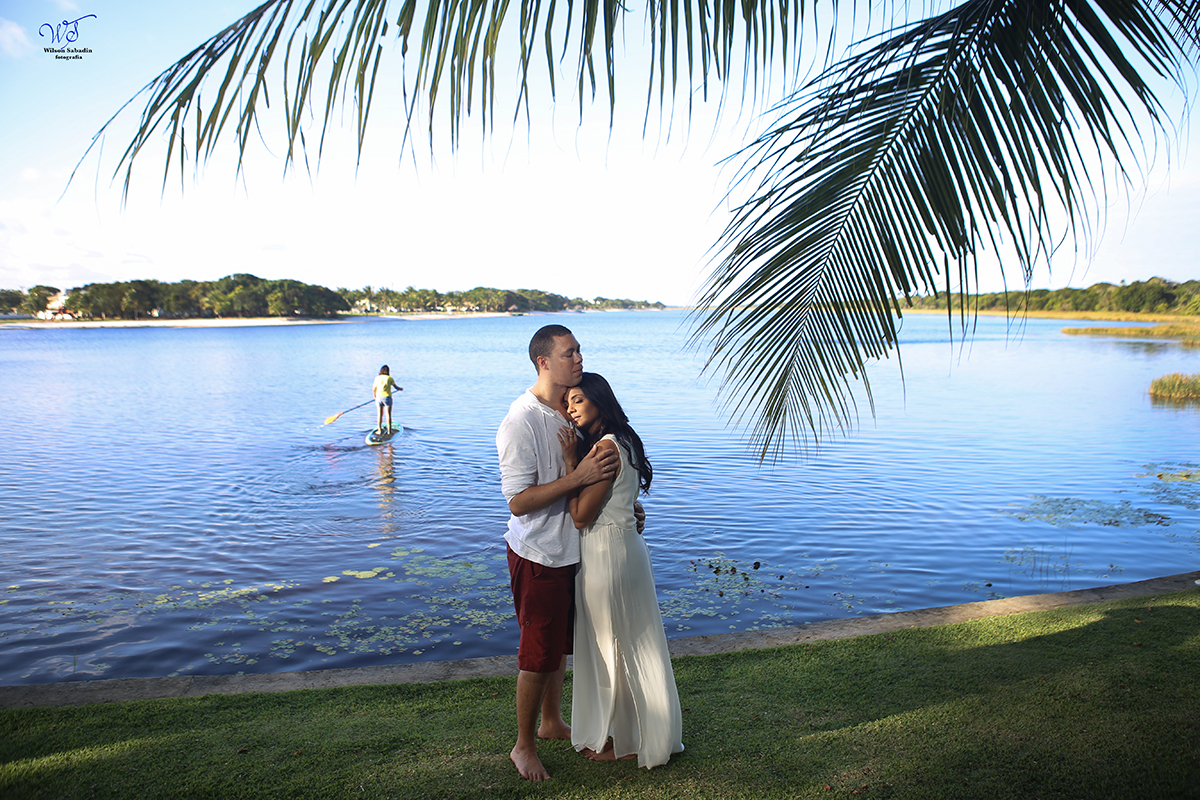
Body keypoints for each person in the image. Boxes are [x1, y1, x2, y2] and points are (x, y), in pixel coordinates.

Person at [496, 324, 621, 781]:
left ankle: (551, 722)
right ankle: (523, 746)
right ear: (543, 362)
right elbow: (517, 500)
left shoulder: (572, 409)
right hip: (539, 554)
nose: (579, 359)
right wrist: (579, 476)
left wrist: (626, 507)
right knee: (538, 653)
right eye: (570, 353)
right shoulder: (520, 421)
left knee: (559, 648)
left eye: (580, 351)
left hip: (576, 549)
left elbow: (599, 477)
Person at [559, 372, 684, 769]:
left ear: (599, 401)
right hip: (627, 549)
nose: (571, 409)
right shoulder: (624, 440)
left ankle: (620, 740)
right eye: (567, 403)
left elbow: (580, 516)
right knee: (635, 645)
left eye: (577, 400)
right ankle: (638, 734)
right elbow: (623, 500)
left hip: (605, 555)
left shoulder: (603, 450)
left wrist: (568, 464)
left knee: (611, 649)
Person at [372, 365, 400, 435]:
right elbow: (396, 387)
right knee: (388, 415)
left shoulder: (377, 378)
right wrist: (400, 389)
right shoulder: (389, 378)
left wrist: (375, 397)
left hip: (378, 397)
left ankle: (379, 430)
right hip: (387, 398)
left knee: (379, 414)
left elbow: (374, 389)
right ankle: (389, 431)